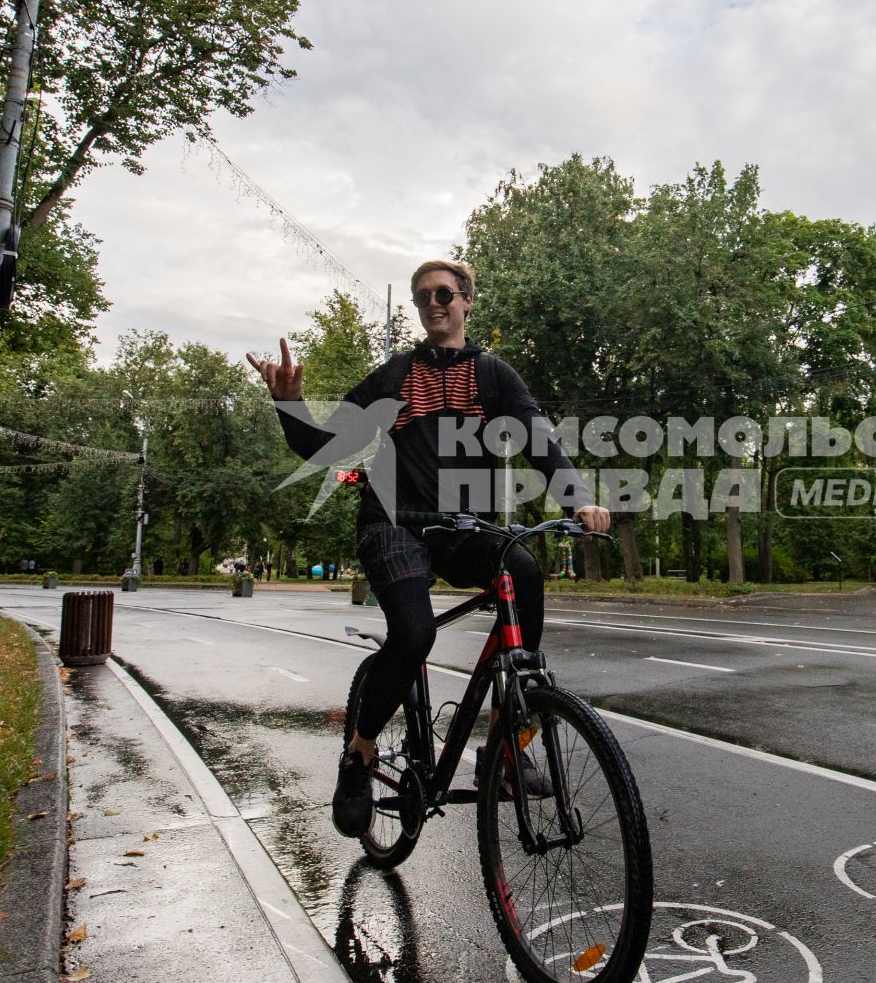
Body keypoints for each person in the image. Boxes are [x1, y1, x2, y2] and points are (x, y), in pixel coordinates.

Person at [250, 259, 610, 838]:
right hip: (394, 525)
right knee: (416, 633)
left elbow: (539, 442)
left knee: (524, 572)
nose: (433, 303)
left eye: (444, 293)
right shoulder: (393, 376)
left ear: (468, 301)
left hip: (464, 529)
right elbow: (325, 446)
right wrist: (290, 407)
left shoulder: (494, 376)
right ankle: (359, 755)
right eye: (422, 298)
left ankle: (510, 743)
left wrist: (578, 499)